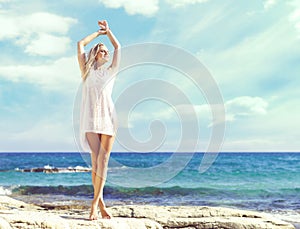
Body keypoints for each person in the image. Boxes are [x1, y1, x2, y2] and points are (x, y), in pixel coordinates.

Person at [77, 20, 120, 220]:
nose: (106, 52)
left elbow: (118, 46)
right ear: (95, 53)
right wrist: (98, 34)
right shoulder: (86, 71)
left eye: (106, 51)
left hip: (109, 118)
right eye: (102, 50)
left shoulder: (112, 71)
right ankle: (100, 202)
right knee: (95, 161)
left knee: (104, 160)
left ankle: (95, 203)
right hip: (91, 119)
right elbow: (80, 44)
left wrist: (108, 33)